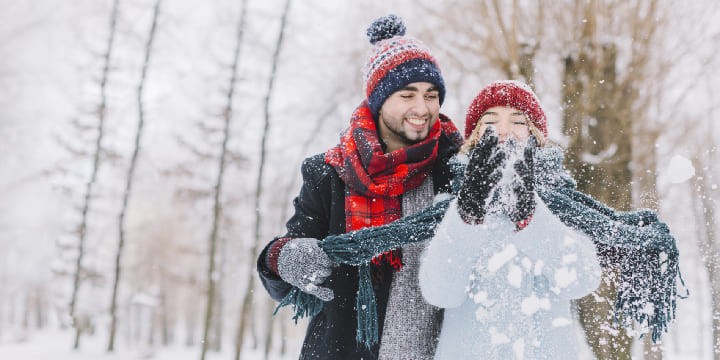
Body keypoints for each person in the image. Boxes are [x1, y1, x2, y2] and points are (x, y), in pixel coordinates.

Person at [418, 80, 681, 359]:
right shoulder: (451, 204)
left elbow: (581, 279)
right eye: (490, 121)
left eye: (518, 121)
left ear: (536, 136)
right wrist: (468, 213)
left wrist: (530, 216)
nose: (504, 131)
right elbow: (439, 292)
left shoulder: (561, 204)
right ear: (474, 138)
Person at [256, 14, 463, 360]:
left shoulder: (454, 168)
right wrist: (280, 258)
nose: (421, 108)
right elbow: (291, 251)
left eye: (431, 95)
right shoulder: (329, 174)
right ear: (379, 101)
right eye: (407, 94)